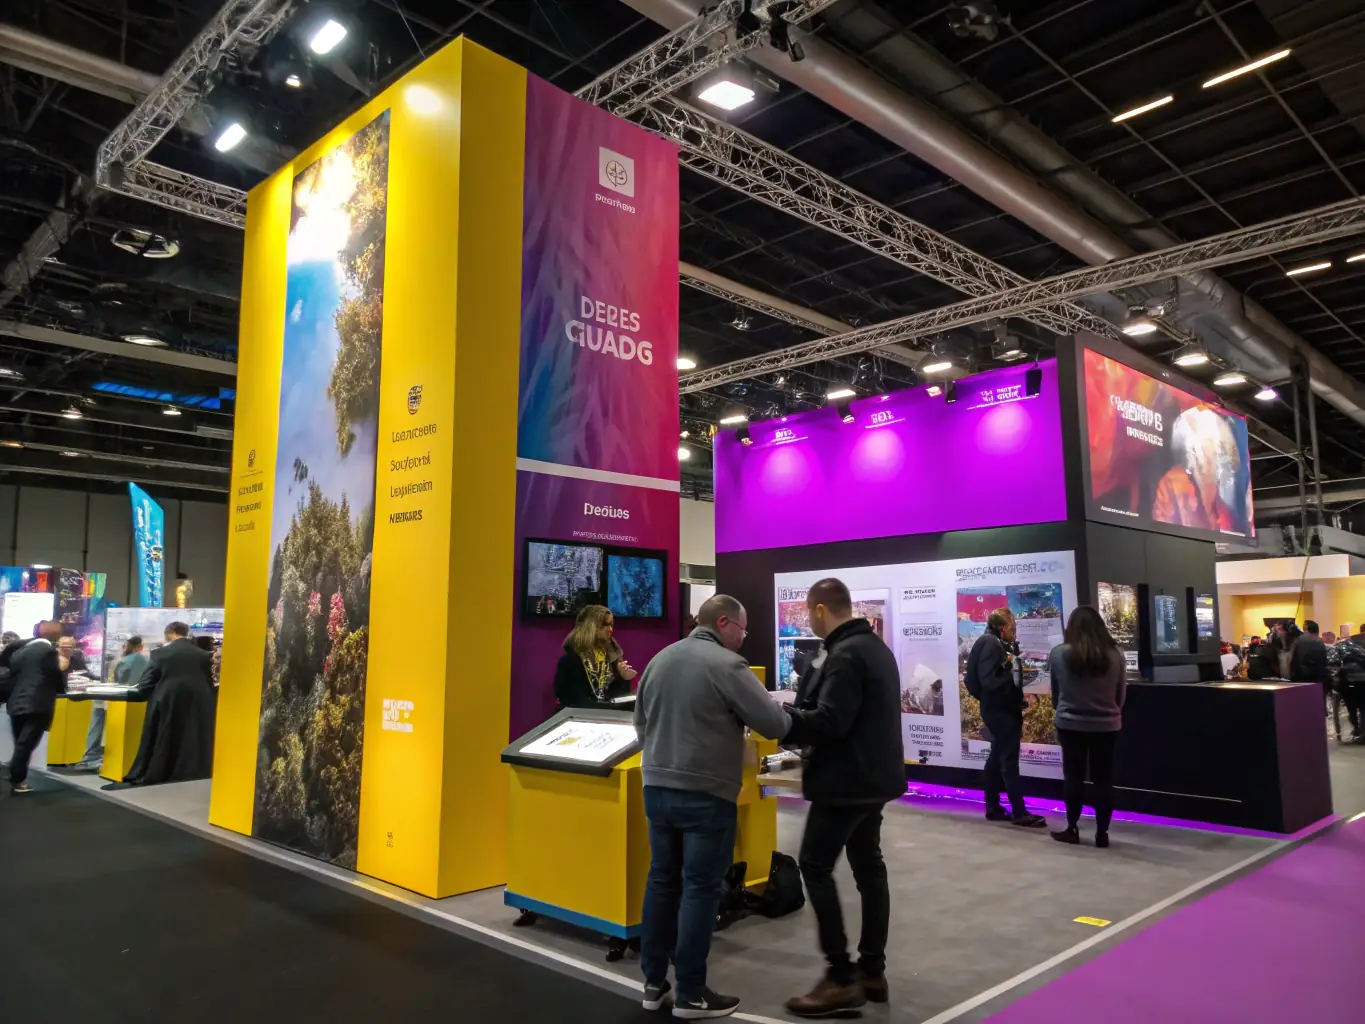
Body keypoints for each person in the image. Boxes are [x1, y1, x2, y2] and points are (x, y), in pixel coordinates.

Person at [633, 594, 791, 1019]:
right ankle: (691, 993)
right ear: (723, 623)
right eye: (742, 630)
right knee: (700, 889)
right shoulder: (727, 666)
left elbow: (640, 726)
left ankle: (653, 984)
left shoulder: (659, 660)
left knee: (661, 881)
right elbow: (774, 724)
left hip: (657, 789)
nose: (744, 638)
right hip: (705, 796)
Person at [782, 579, 906, 1018]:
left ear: (819, 610)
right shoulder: (875, 649)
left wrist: (783, 721)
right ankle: (873, 971)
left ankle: (840, 977)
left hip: (845, 783)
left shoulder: (846, 655)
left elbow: (831, 722)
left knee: (814, 866)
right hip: (872, 781)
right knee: (869, 868)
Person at [1048, 606, 1127, 848]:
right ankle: (1102, 833)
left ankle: (1072, 828)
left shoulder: (1059, 654)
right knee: (1104, 780)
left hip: (1070, 725)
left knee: (1073, 778)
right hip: (1107, 726)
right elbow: (1120, 695)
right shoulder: (1116, 655)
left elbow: (1055, 694)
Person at [965, 609, 1047, 828]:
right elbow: (989, 682)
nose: (1015, 633)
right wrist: (1011, 672)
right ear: (1004, 628)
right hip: (1000, 711)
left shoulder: (986, 642)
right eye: (1013, 629)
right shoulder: (992, 645)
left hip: (997, 709)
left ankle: (993, 807)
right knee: (1008, 761)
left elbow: (976, 682)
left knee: (996, 758)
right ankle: (1019, 812)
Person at [115, 622, 216, 787]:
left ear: (170, 633)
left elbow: (147, 682)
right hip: (200, 701)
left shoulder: (160, 654)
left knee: (165, 737)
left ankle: (160, 771)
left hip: (168, 700)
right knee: (193, 736)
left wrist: (143, 694)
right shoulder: (203, 654)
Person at [1, 620, 65, 794]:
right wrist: (63, 675)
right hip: (37, 704)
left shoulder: (19, 651)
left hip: (16, 703)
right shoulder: (47, 652)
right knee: (26, 744)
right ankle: (16, 776)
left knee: (21, 742)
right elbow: (55, 677)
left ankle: (18, 778)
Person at [81, 635, 148, 770]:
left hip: (120, 697)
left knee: (97, 719)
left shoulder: (129, 660)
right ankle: (92, 756)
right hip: (132, 697)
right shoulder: (142, 659)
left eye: (124, 643)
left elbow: (119, 678)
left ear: (130, 645)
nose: (122, 646)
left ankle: (91, 757)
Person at [552, 605, 636, 709]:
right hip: (582, 719)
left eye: (611, 625)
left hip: (609, 717)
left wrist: (623, 677)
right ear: (591, 626)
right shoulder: (570, 661)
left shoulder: (613, 657)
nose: (610, 630)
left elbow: (619, 697)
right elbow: (571, 701)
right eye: (605, 625)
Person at [1290, 620, 1330, 713]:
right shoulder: (1319, 641)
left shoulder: (1299, 640)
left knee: (1304, 705)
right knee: (1319, 704)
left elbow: (1293, 659)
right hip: (1320, 676)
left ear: (1306, 628)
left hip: (1303, 676)